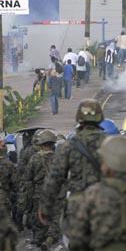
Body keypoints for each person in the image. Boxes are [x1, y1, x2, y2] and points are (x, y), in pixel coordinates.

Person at [39, 99, 106, 238]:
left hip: (78, 207)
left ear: (79, 117)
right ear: (100, 117)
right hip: (105, 205)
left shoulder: (69, 146)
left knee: (79, 250)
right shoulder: (111, 143)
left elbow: (54, 179)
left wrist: (45, 208)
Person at [21, 129, 58, 251]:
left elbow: (27, 179)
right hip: (54, 195)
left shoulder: (34, 158)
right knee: (54, 222)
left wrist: (29, 196)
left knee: (39, 223)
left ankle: (39, 248)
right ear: (53, 143)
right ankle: (47, 244)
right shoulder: (58, 159)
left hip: (38, 196)